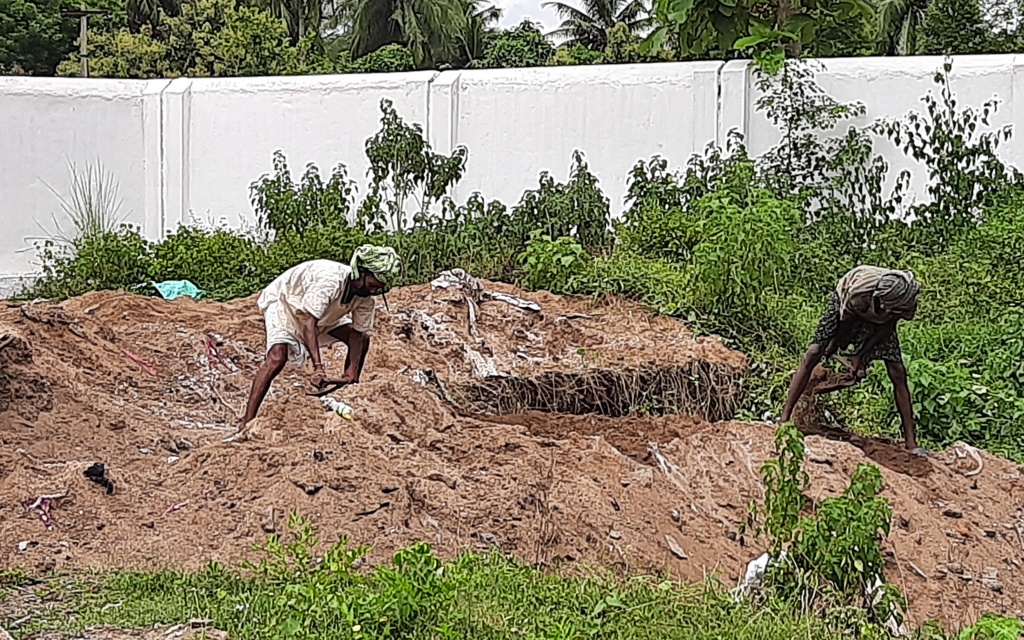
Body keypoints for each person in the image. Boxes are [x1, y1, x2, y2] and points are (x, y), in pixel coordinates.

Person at [227, 245, 401, 440]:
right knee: (278, 356)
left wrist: (351, 369)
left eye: (380, 288)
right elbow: (309, 325)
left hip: (322, 315)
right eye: (373, 284)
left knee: (363, 341)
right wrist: (318, 367)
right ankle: (246, 423)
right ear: (361, 273)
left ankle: (343, 395)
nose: (375, 290)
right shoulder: (331, 282)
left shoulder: (366, 299)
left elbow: (358, 334)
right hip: (286, 303)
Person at [779, 265, 925, 456]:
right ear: (879, 298)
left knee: (898, 371)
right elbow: (846, 324)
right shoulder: (858, 294)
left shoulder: (905, 299)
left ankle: (911, 443)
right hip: (844, 306)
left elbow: (887, 328)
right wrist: (833, 346)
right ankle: (784, 418)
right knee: (814, 352)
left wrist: (861, 356)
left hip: (879, 319)